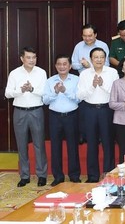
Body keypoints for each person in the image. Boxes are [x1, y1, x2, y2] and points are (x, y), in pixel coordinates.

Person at [5, 47, 48, 187]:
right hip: (20, 111)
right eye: (28, 57)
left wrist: (32, 89)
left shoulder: (41, 72)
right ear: (22, 58)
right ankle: (24, 176)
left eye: (34, 57)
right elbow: (7, 93)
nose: (31, 60)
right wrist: (21, 90)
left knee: (39, 144)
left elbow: (44, 92)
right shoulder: (14, 73)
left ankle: (41, 175)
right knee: (21, 145)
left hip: (36, 111)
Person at [77, 47, 118, 182]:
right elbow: (80, 95)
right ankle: (93, 176)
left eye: (101, 57)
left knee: (108, 143)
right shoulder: (84, 74)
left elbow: (116, 93)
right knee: (92, 143)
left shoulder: (112, 72)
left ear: (105, 58)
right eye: (96, 57)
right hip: (89, 110)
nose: (99, 59)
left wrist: (103, 84)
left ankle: (109, 174)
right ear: (91, 59)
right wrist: (93, 86)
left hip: (107, 110)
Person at [43, 54, 81, 186]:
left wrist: (65, 91)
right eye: (59, 64)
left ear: (70, 66)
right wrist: (55, 92)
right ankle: (58, 176)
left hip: (72, 116)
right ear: (55, 66)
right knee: (55, 147)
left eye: (65, 64)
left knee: (73, 146)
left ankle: (74, 175)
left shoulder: (76, 79)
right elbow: (45, 100)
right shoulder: (50, 81)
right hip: (55, 116)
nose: (62, 66)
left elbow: (78, 98)